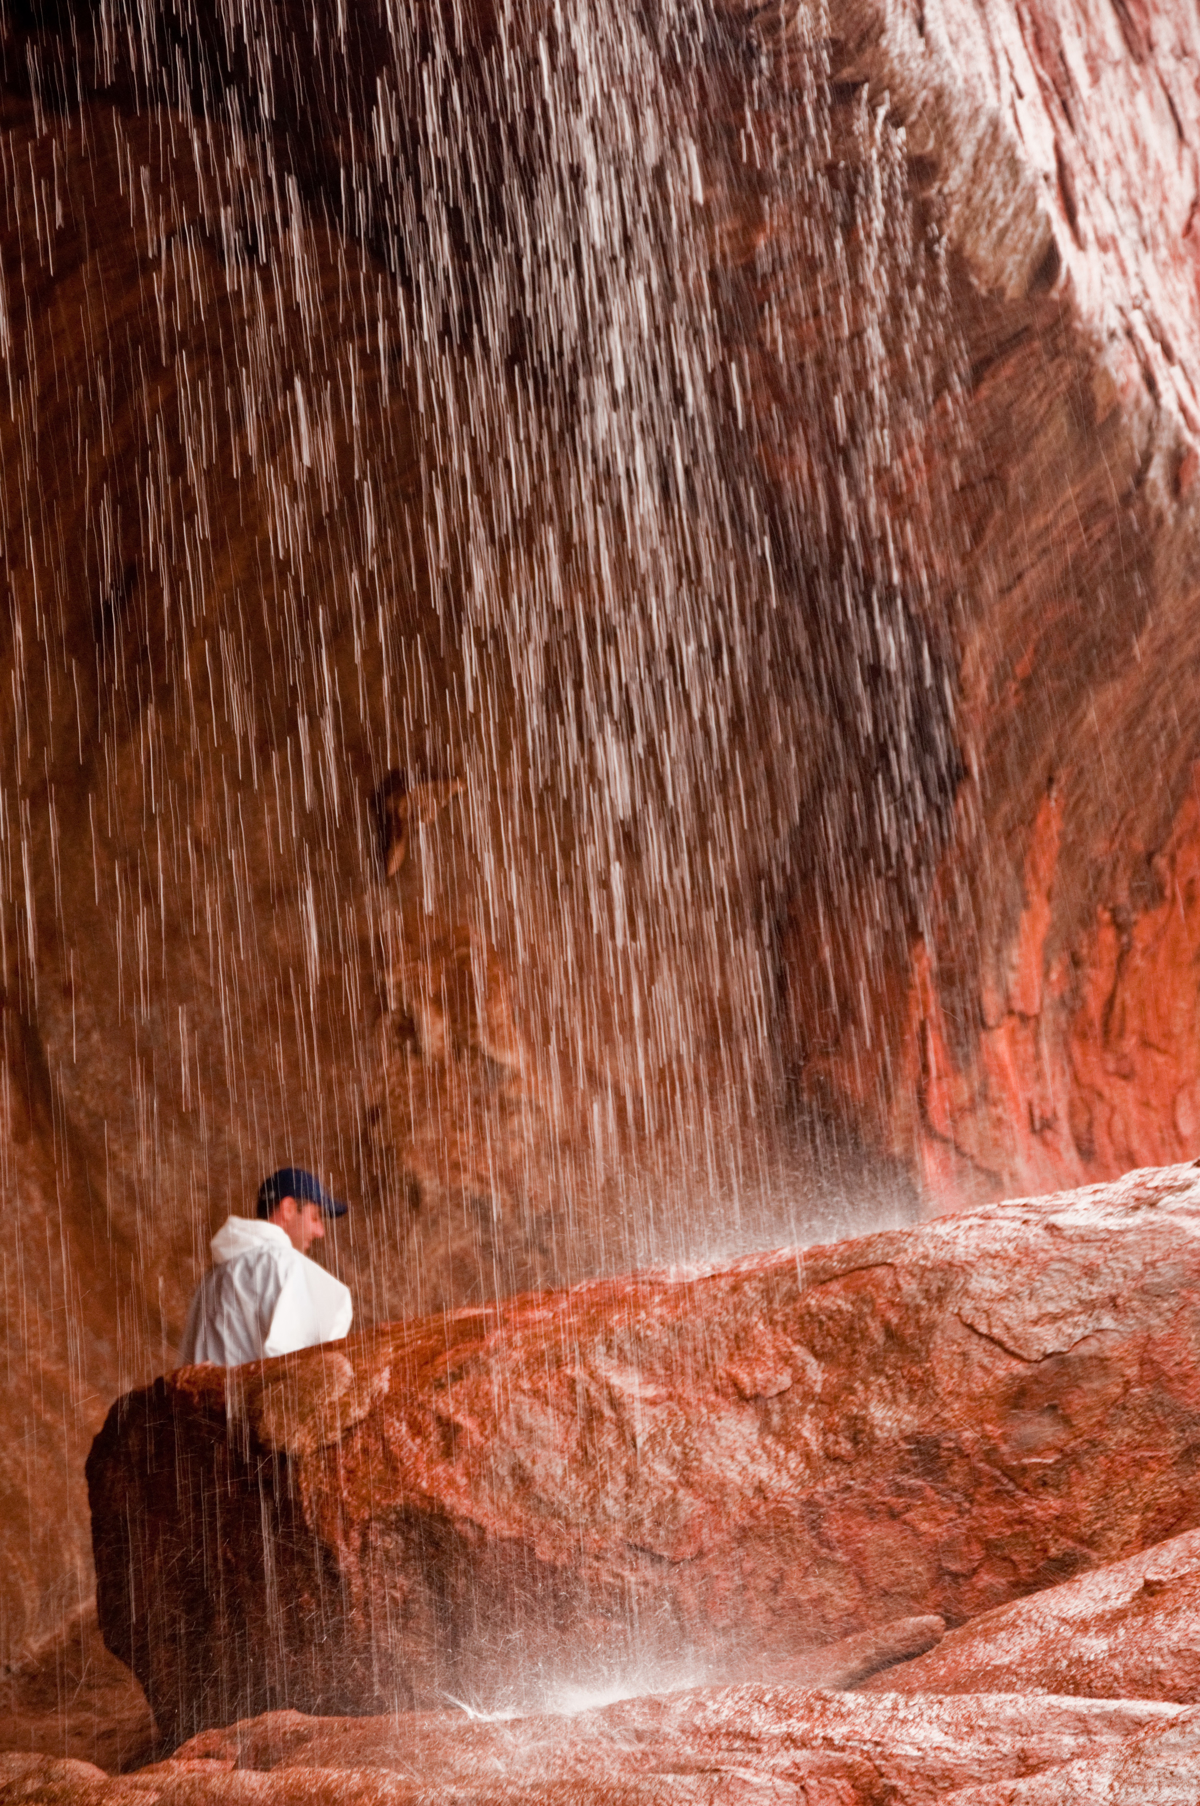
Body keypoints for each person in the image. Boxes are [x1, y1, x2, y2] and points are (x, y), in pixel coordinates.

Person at [179, 1166, 353, 1367]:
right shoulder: (284, 1264)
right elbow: (301, 1366)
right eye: (314, 1217)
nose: (320, 1231)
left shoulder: (213, 1276)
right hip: (252, 1398)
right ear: (288, 1209)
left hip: (203, 1398)